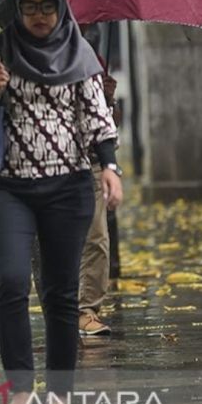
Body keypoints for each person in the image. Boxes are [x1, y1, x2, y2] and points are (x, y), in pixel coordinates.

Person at [0, 0, 123, 404]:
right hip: (8, 188)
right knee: (9, 283)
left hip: (67, 187)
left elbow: (96, 118)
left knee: (60, 294)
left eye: (48, 6)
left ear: (60, 8)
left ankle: (60, 393)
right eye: (31, 7)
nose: (40, 15)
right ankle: (21, 390)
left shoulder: (79, 51)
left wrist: (110, 168)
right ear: (18, 10)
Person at [78, 24, 121, 336]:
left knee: (97, 238)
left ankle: (87, 309)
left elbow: (106, 122)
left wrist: (108, 98)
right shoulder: (16, 53)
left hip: (90, 161)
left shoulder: (92, 57)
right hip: (45, 168)